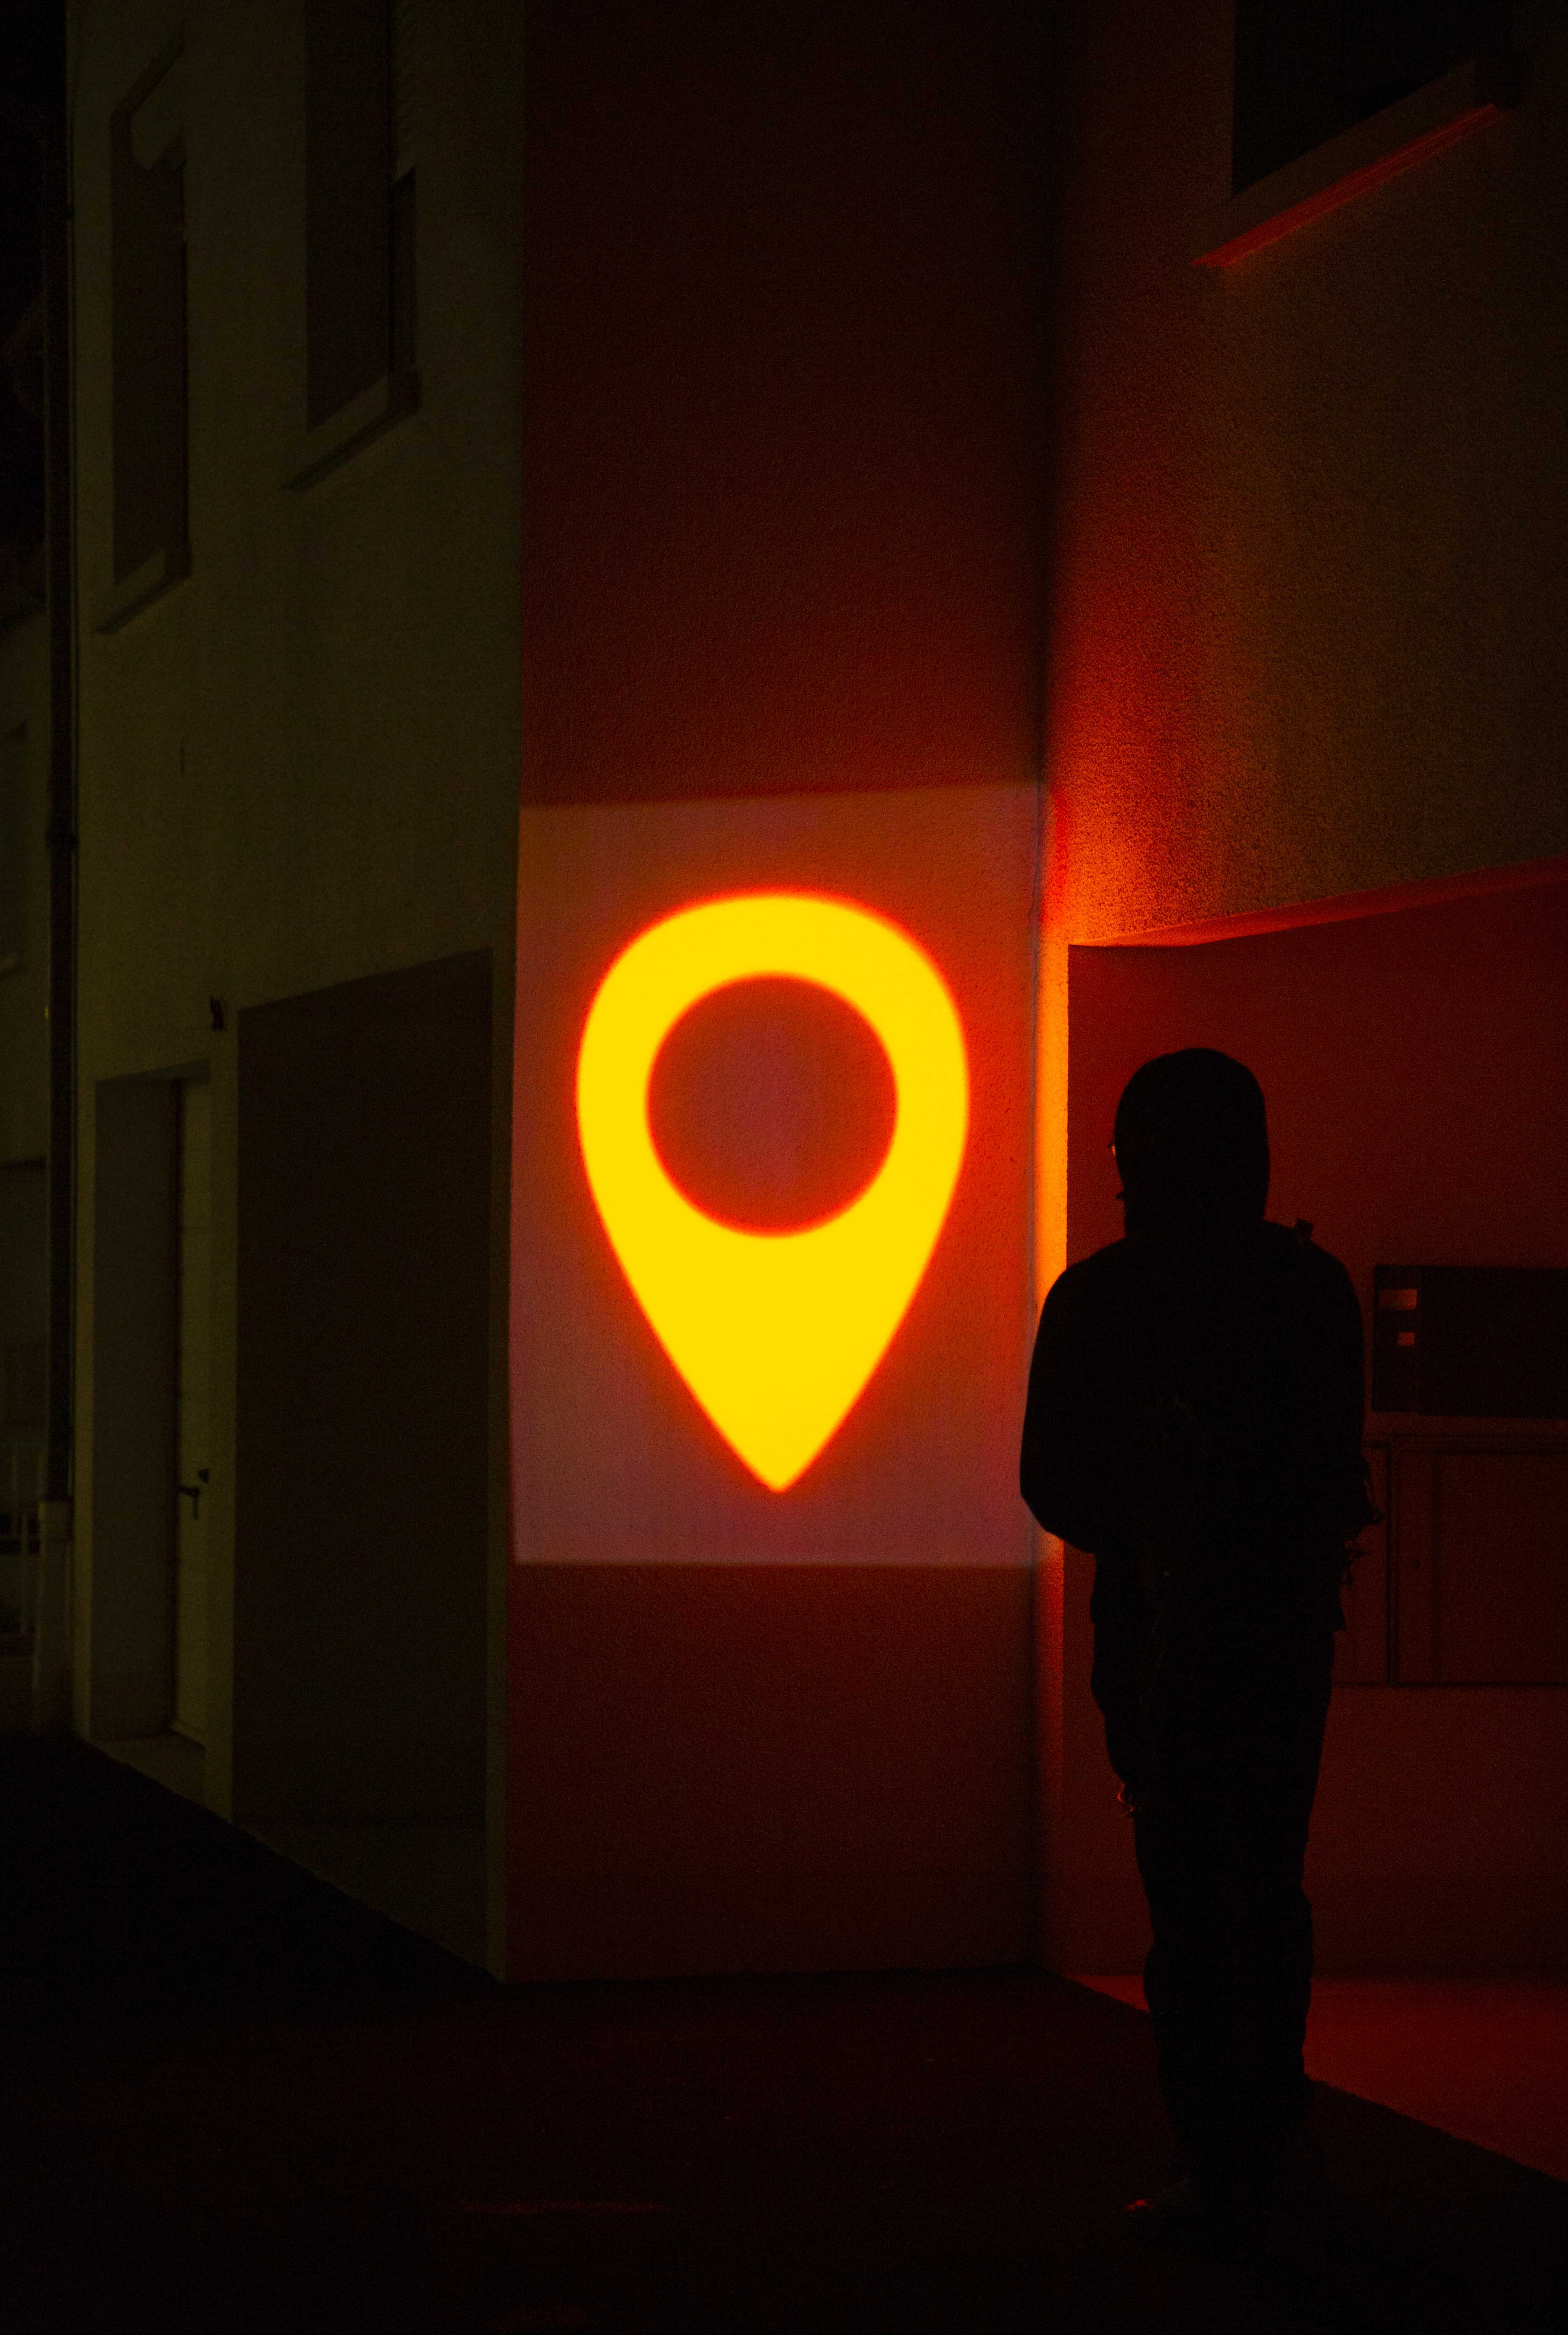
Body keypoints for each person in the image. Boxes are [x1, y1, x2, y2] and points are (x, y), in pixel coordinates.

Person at [1019, 1048, 1376, 2237]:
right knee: (1260, 1893)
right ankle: (1262, 2144)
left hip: (1174, 1633)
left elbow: (1053, 1482)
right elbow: (1325, 1476)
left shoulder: (1098, 1299)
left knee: (1194, 1905)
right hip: (1264, 1636)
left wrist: (1161, 1515)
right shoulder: (1306, 1290)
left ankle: (1221, 2155)